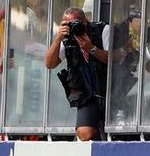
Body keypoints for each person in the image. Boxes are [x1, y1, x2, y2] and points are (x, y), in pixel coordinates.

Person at [44, 8, 109, 141]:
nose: (73, 28)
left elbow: (113, 60)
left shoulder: (102, 30)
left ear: (85, 21)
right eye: (67, 25)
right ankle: (99, 144)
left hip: (110, 89)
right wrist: (58, 39)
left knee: (121, 131)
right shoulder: (66, 39)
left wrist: (91, 48)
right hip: (87, 94)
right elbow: (50, 64)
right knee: (85, 132)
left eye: (76, 23)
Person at [111, 9, 150, 124]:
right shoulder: (117, 34)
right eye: (137, 25)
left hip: (132, 91)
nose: (139, 30)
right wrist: (126, 48)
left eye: (144, 26)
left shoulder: (140, 42)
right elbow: (109, 61)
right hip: (116, 91)